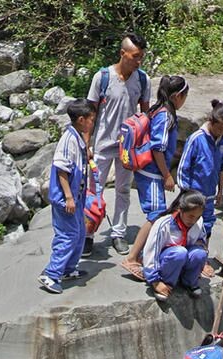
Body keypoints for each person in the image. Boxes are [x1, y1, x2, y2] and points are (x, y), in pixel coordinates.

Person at [85, 34, 151, 257]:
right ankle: (87, 234)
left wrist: (143, 144)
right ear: (123, 54)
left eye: (141, 57)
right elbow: (90, 113)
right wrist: (86, 143)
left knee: (123, 189)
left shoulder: (143, 80)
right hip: (103, 143)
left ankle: (119, 233)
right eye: (135, 56)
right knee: (94, 189)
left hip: (127, 147)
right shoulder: (102, 77)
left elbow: (145, 113)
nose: (138, 61)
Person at [123, 76, 190, 272]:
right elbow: (157, 148)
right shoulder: (165, 116)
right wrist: (167, 175)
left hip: (151, 171)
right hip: (152, 173)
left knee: (158, 214)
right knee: (156, 215)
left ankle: (145, 255)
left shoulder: (157, 110)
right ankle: (132, 257)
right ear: (178, 96)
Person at [38, 100, 97, 295]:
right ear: (81, 120)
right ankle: (51, 273)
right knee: (68, 234)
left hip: (77, 196)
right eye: (91, 120)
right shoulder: (68, 139)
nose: (92, 123)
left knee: (79, 232)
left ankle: (68, 268)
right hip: (66, 198)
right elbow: (62, 170)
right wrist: (69, 198)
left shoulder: (78, 137)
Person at [177, 100, 223, 238]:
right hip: (193, 193)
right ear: (211, 121)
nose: (222, 132)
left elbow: (222, 167)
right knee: (187, 224)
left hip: (209, 195)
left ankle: (202, 254)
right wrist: (186, 192)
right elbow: (183, 167)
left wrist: (220, 190)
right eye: (220, 128)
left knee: (206, 225)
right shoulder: (196, 139)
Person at [141, 189, 208, 302]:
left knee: (200, 253)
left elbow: (201, 242)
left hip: (182, 261)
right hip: (166, 262)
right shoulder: (163, 224)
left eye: (197, 217)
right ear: (180, 210)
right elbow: (151, 253)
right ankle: (165, 283)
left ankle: (189, 281)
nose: (194, 220)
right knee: (180, 252)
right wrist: (155, 281)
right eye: (191, 216)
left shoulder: (198, 223)